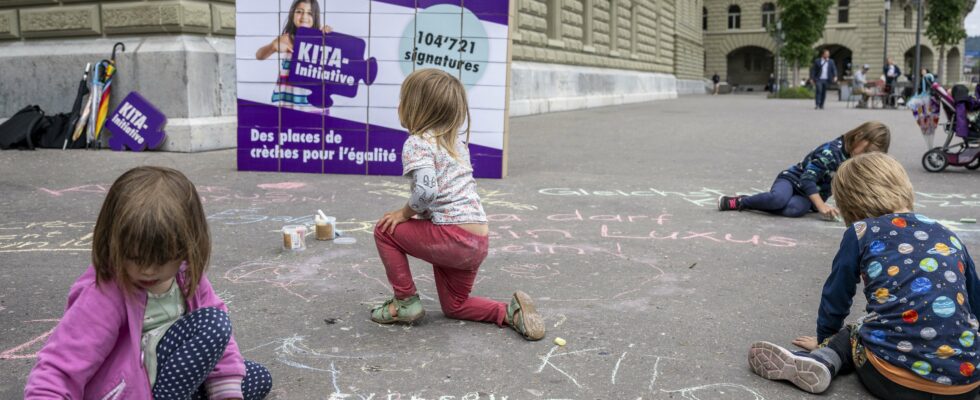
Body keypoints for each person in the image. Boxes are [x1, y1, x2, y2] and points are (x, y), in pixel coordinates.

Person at [25, 166, 272, 399]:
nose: (148, 269)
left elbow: (221, 345)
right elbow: (59, 367)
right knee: (212, 324)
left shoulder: (187, 275)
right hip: (127, 391)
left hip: (167, 379)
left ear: (188, 246)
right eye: (134, 257)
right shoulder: (105, 293)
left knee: (254, 376)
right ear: (113, 242)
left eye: (162, 259)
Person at [747, 153, 980, 398]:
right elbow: (975, 300)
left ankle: (824, 359)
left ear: (850, 202)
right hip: (965, 382)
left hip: (896, 382)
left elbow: (837, 296)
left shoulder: (862, 232)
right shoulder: (947, 234)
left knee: (858, 329)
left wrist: (826, 339)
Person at [370, 69, 545, 341]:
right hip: (478, 241)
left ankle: (404, 302)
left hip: (451, 237)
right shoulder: (456, 143)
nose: (399, 105)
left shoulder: (417, 143)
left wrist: (403, 214)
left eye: (403, 99)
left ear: (417, 108)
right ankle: (510, 313)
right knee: (455, 306)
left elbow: (427, 191)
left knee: (385, 230)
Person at [718, 121, 890, 219]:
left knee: (794, 210)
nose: (866, 157)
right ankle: (741, 202)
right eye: (867, 151)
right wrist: (821, 205)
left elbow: (855, 187)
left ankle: (772, 202)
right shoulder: (831, 152)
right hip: (792, 180)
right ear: (859, 136)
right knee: (778, 199)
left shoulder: (855, 158)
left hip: (807, 195)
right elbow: (807, 179)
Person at [255, 0, 331, 111]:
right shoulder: (286, 38)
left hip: (315, 107)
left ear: (316, 17)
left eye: (310, 13)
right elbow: (259, 55)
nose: (304, 16)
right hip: (289, 103)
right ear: (292, 14)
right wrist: (272, 46)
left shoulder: (321, 39)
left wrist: (329, 39)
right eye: (299, 11)